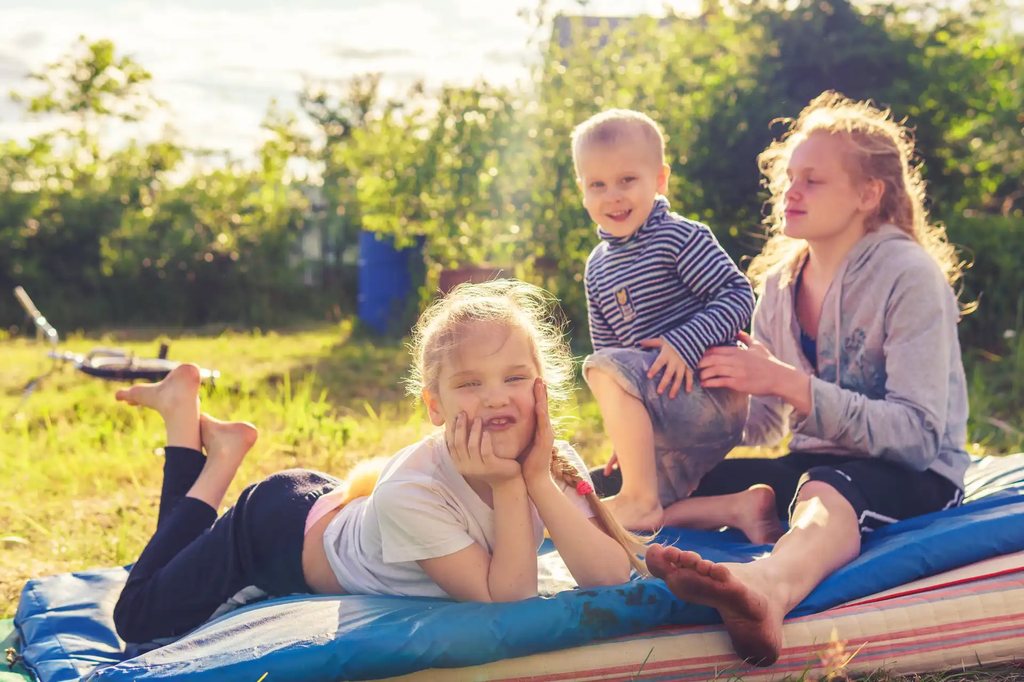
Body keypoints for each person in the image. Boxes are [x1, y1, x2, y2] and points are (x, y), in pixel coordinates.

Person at [112, 280, 647, 646]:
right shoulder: (410, 492)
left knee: (168, 572)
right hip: (271, 535)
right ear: (434, 407)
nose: (495, 398)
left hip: (337, 509)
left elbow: (610, 574)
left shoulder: (550, 459)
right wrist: (510, 488)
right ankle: (206, 447)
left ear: (540, 385)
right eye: (469, 383)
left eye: (513, 378)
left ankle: (198, 423)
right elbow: (506, 603)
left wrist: (536, 480)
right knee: (138, 616)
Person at [643, 91, 971, 666]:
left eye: (813, 180)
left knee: (824, 485)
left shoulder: (909, 277)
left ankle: (767, 591)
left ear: (869, 194)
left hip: (913, 475)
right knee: (664, 477)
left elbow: (918, 437)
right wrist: (678, 427)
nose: (790, 192)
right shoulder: (779, 285)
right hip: (817, 462)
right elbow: (767, 422)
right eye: (789, 178)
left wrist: (788, 382)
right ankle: (736, 508)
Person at [573, 109, 766, 535]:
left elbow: (737, 296)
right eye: (598, 185)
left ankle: (638, 499)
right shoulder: (597, 267)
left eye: (628, 180)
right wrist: (628, 441)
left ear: (659, 180)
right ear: (582, 192)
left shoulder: (680, 237)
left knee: (598, 368)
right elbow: (612, 354)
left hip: (709, 396)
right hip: (663, 407)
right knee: (600, 510)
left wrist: (684, 343)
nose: (614, 196)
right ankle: (739, 509)